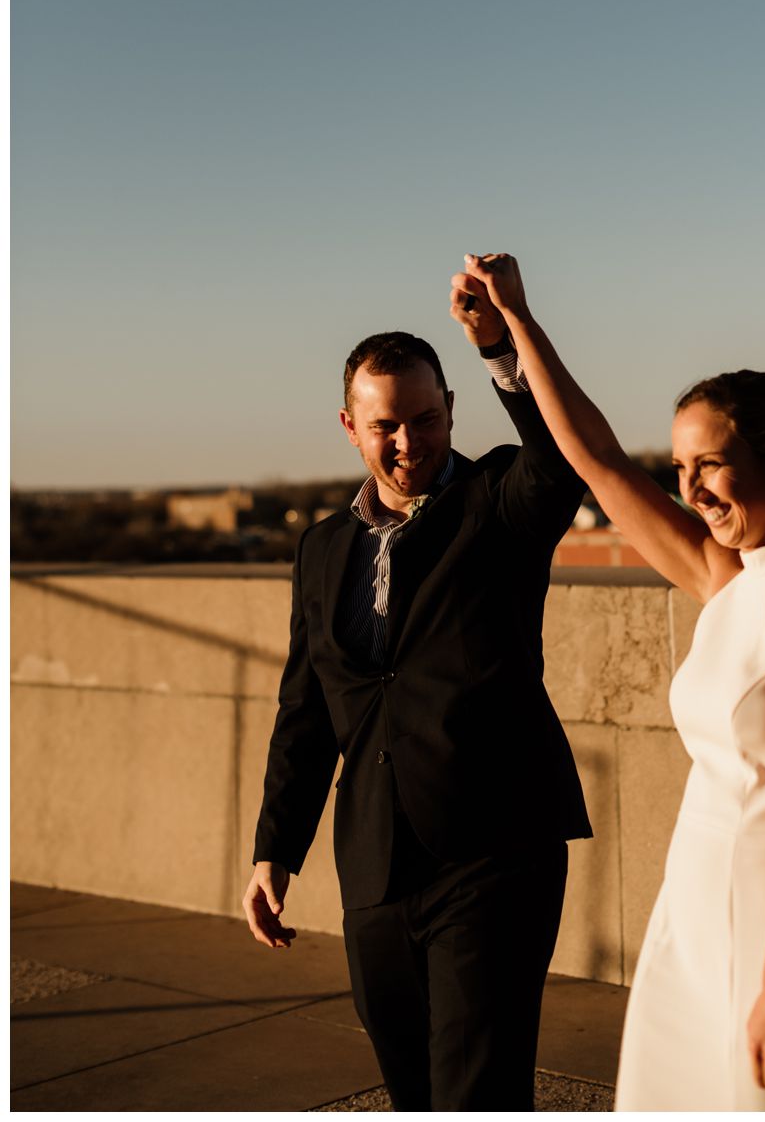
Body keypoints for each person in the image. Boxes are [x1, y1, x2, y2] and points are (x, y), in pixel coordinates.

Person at [453, 251, 765, 1111]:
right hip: (693, 908)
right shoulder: (729, 573)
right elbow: (596, 459)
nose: (692, 489)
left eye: (712, 463)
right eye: (680, 468)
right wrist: (514, 325)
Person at [241, 295, 593, 1109]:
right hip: (374, 861)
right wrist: (275, 849)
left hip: (496, 849)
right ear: (349, 426)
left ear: (453, 408)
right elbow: (306, 710)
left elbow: (560, 460)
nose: (409, 442)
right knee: (413, 1090)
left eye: (427, 419)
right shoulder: (322, 547)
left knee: (478, 1090)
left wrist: (501, 346)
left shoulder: (499, 500)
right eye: (386, 426)